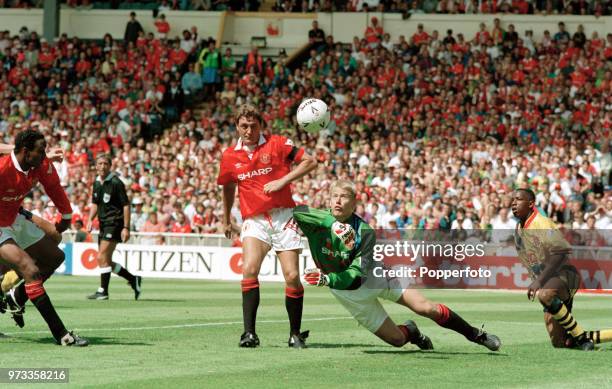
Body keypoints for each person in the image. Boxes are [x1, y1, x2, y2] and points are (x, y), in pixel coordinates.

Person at [294, 180, 501, 351]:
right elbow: (296, 211)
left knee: (426, 307)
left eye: (344, 196)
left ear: (354, 203)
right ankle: (412, 332)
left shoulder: (364, 231)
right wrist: (333, 223)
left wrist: (327, 278)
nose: (338, 201)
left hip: (374, 277)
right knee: (397, 341)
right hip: (347, 294)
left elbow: (356, 274)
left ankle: (476, 335)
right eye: (334, 196)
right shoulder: (318, 222)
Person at [217, 104, 317, 348]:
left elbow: (310, 162)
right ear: (237, 127)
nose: (248, 130)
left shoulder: (278, 143)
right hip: (255, 220)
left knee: (292, 275)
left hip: (283, 216)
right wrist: (226, 216)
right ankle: (249, 334)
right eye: (243, 126)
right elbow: (228, 186)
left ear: (260, 125)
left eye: (253, 125)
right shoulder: (230, 155)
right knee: (249, 269)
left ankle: (295, 334)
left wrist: (282, 181)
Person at [0, 129, 88, 346]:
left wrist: (66, 215)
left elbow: (55, 188)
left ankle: (17, 297)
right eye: (40, 151)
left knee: (55, 257)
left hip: (14, 217)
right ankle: (62, 335)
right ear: (25, 151)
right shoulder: (2, 170)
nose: (44, 156)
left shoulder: (40, 165)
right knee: (29, 269)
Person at [511, 188, 612, 350]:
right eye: (512, 200)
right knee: (561, 342)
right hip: (549, 280)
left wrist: (539, 281)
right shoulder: (518, 229)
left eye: (518, 199)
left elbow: (562, 252)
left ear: (531, 204)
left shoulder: (541, 223)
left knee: (545, 294)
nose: (513, 203)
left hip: (565, 276)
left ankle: (581, 338)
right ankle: (583, 337)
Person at [87, 154, 142, 300]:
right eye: (100, 163)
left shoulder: (116, 183)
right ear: (96, 166)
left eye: (106, 163)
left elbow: (126, 205)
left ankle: (103, 291)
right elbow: (95, 203)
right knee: (106, 261)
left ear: (110, 166)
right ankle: (133, 279)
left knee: (101, 257)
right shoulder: (97, 183)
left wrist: (126, 227)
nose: (103, 166)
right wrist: (90, 219)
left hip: (115, 223)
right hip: (103, 224)